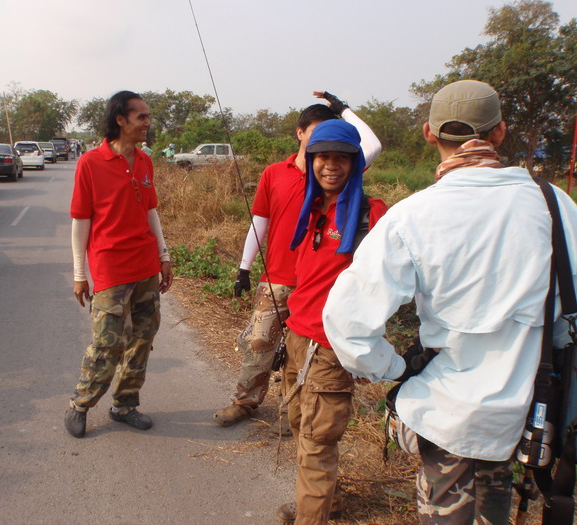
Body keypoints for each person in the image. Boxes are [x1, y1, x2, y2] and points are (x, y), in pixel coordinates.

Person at [322, 80, 577, 524]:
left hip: (449, 418)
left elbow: (347, 322)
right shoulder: (556, 205)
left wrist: (396, 369)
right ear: (499, 133)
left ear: (428, 133)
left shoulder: (413, 215)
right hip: (530, 416)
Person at [214, 92, 382, 430]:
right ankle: (246, 401)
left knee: (301, 352)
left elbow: (372, 144)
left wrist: (341, 107)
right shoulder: (277, 173)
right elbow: (259, 221)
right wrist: (244, 268)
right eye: (318, 133)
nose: (328, 146)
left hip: (322, 284)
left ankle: (296, 414)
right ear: (300, 133)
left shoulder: (336, 174)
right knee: (259, 344)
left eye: (334, 137)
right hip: (277, 275)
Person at [276, 119, 387, 525]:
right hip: (297, 337)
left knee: (317, 442)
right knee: (299, 424)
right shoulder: (312, 207)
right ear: (311, 159)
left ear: (355, 163)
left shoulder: (370, 215)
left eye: (342, 158)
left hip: (332, 347)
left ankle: (311, 517)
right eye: (323, 156)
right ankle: (327, 504)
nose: (331, 166)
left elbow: (385, 286)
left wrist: (365, 346)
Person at [64, 90, 173, 438]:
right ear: (120, 120)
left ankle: (125, 404)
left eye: (147, 116)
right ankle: (80, 404)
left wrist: (164, 255)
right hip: (110, 268)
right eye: (141, 116)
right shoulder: (90, 163)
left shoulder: (144, 160)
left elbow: (150, 211)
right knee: (108, 342)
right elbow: (81, 220)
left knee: (143, 338)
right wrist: (80, 274)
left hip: (145, 265)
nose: (147, 123)